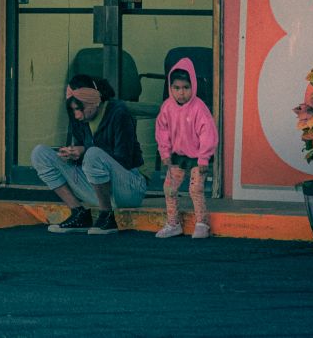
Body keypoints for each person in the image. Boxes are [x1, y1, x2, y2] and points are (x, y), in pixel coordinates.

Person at [30, 73, 147, 235]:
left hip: (129, 189)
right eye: (73, 110)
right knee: (40, 153)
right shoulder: (79, 120)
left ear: (94, 101)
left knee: (92, 153)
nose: (77, 115)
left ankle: (107, 216)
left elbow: (124, 159)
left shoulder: (118, 113)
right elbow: (86, 160)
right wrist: (72, 155)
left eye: (80, 108)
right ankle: (79, 213)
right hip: (98, 189)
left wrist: (85, 151)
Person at [154, 57, 218, 239]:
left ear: (193, 86)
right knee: (169, 189)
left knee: (195, 189)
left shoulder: (199, 108)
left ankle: (202, 223)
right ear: (170, 87)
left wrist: (204, 158)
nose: (181, 93)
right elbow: (162, 130)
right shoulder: (167, 107)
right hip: (177, 156)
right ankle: (173, 224)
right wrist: (164, 152)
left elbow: (208, 133)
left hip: (197, 157)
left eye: (186, 88)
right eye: (176, 88)